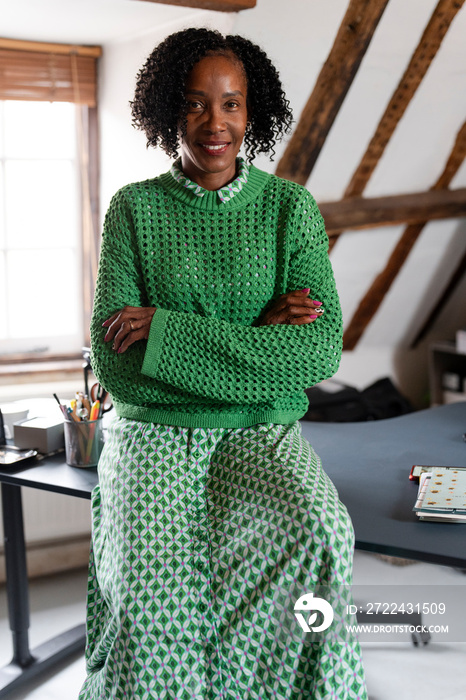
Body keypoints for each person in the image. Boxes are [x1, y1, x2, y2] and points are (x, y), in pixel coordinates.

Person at [79, 27, 367, 700]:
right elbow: (115, 366)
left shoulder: (289, 210)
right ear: (167, 111)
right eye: (196, 103)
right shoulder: (133, 209)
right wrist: (255, 336)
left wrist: (169, 334)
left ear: (252, 111)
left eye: (232, 104)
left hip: (258, 428)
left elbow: (317, 351)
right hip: (152, 433)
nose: (216, 123)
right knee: (150, 593)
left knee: (319, 533)